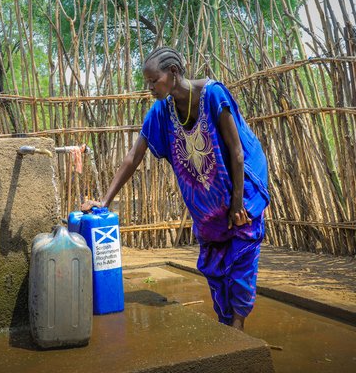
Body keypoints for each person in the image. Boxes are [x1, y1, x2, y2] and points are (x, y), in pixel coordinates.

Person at [82, 46, 270, 331]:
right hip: (209, 201)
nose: (149, 88)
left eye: (153, 81)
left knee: (242, 255)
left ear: (172, 72)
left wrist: (236, 204)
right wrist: (104, 201)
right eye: (146, 82)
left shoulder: (213, 94)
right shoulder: (161, 113)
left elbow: (237, 152)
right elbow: (133, 157)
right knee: (214, 261)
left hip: (242, 188)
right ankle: (226, 321)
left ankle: (237, 325)